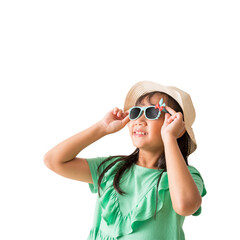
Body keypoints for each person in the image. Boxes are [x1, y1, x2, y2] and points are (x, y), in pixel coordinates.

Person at [44, 80, 207, 240]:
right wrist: (102, 128)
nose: (139, 121)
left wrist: (169, 137)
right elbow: (54, 160)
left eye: (151, 112)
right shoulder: (112, 169)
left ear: (176, 125)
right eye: (136, 112)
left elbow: (185, 205)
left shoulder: (187, 177)